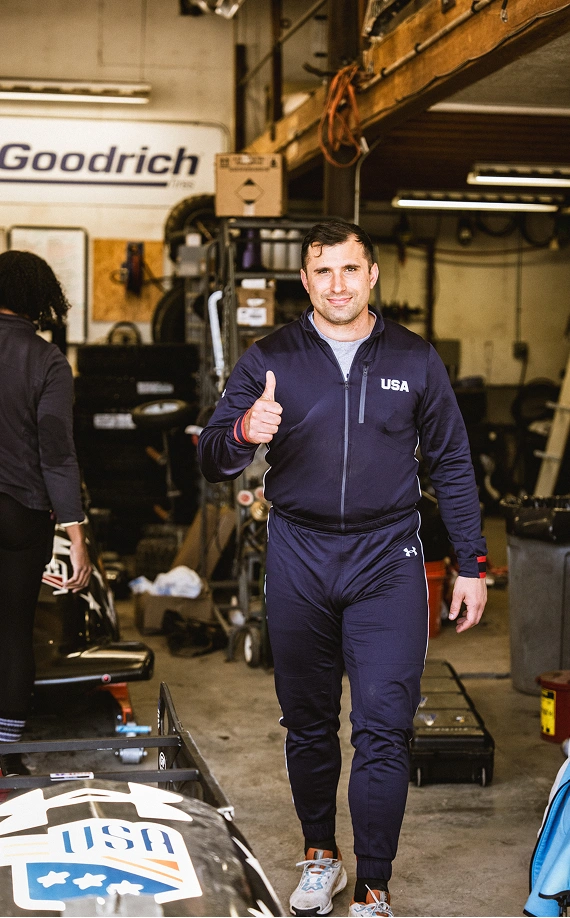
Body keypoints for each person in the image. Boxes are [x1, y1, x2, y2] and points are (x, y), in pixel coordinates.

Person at [198, 219, 487, 917]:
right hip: (298, 553)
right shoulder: (271, 359)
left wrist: (471, 562)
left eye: (349, 270)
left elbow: (451, 461)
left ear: (373, 275)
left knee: (385, 727)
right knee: (307, 722)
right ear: (305, 280)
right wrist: (243, 432)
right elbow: (209, 454)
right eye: (322, 272)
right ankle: (320, 854)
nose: (337, 285)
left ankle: (375, 886)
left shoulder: (416, 359)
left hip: (388, 557)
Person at [0, 250, 91, 777]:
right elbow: (57, 453)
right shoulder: (49, 361)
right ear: (42, 301)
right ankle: (6, 757)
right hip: (21, 513)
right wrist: (76, 532)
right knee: (13, 628)